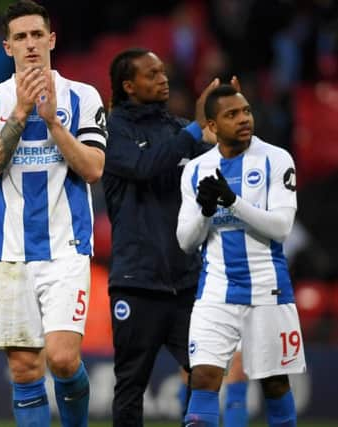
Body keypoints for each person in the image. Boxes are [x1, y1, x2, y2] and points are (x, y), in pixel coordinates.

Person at [0, 1, 106, 426]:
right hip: (10, 252)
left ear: (52, 39)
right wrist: (22, 112)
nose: (29, 44)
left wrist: (54, 123)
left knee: (63, 360)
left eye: (36, 35)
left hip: (67, 248)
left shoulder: (83, 97)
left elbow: (94, 169)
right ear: (7, 47)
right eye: (20, 37)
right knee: (25, 370)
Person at [102, 47, 226, 427]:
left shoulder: (179, 129)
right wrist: (194, 132)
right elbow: (144, 166)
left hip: (186, 281)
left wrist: (230, 122)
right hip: (137, 282)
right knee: (131, 385)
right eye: (152, 74)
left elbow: (219, 170)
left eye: (163, 72)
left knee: (204, 375)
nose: (163, 79)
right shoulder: (113, 131)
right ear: (129, 86)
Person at [177, 84, 306, 427]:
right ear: (213, 126)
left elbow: (281, 227)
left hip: (268, 289)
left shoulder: (277, 159)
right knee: (202, 378)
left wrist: (232, 201)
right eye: (231, 114)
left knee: (275, 384)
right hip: (216, 291)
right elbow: (185, 241)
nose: (244, 119)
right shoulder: (196, 169)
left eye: (246, 111)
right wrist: (206, 211)